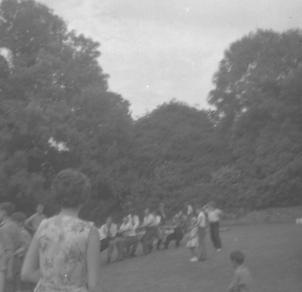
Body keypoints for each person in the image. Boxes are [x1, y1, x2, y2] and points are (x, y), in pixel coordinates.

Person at [21, 168, 100, 292]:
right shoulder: (90, 231)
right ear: (84, 197)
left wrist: (52, 281)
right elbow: (93, 285)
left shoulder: (43, 226)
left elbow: (26, 273)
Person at [0, 202, 22, 292]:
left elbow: (8, 251)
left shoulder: (4, 228)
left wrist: (8, 270)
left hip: (6, 266)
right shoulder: (16, 226)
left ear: (4, 212)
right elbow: (22, 245)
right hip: (17, 263)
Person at [11, 212, 33, 292]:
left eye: (13, 222)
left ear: (19, 223)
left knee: (18, 280)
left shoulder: (23, 233)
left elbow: (26, 246)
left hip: (22, 259)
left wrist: (15, 253)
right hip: (20, 258)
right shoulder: (18, 231)